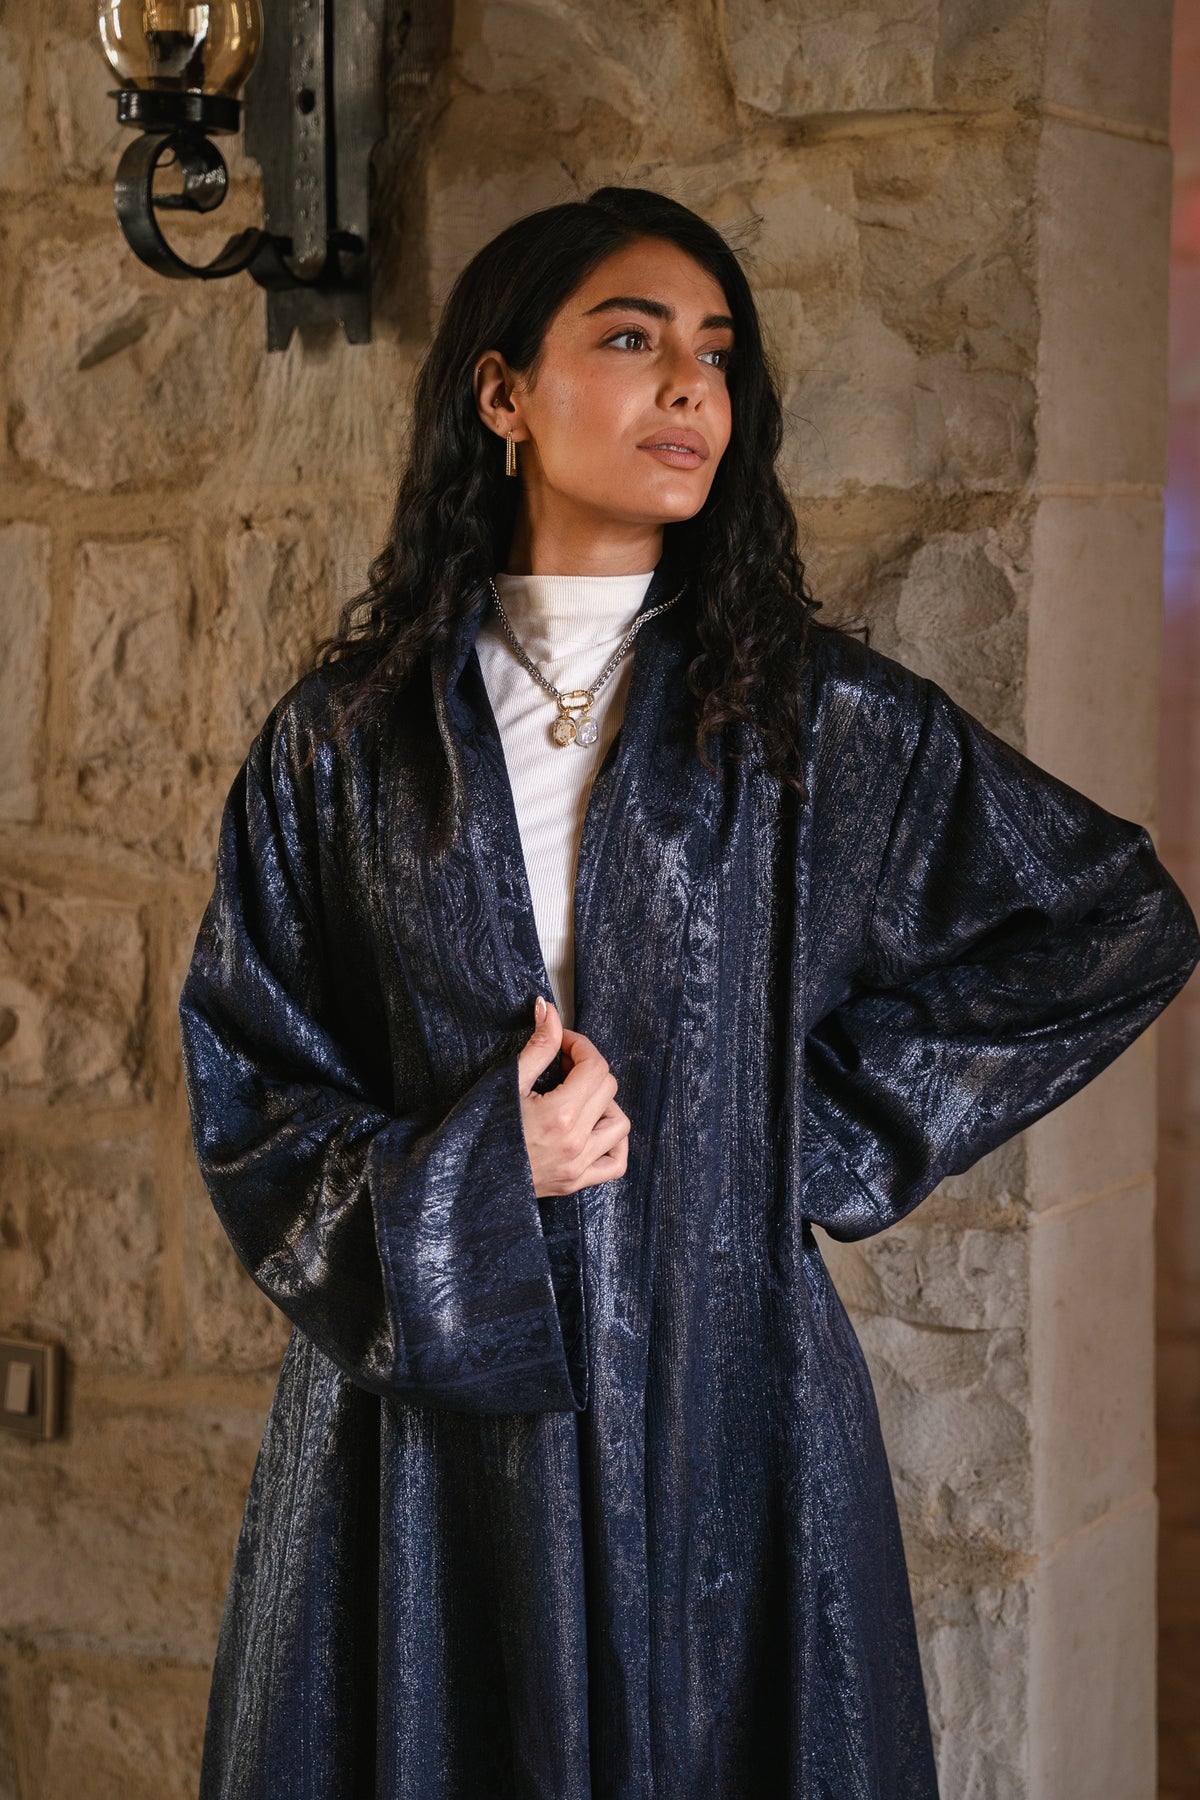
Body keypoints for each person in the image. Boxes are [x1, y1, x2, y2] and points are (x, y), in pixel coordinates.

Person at [178, 185, 1200, 1799]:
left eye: (717, 355)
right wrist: (478, 1175)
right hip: (425, 1437)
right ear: (501, 394)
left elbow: (1110, 924)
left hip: (731, 1412)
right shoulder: (344, 748)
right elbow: (251, 1092)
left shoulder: (808, 724)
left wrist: (794, 1132)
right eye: (631, 340)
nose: (688, 388)